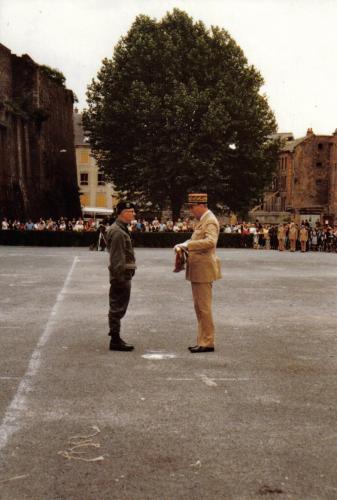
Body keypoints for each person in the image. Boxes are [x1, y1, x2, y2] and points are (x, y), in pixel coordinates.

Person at [174, 193, 222, 353]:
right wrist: (187, 244)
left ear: (202, 205)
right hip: (199, 269)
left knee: (204, 308)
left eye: (192, 207)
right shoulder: (204, 220)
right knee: (200, 307)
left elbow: (210, 242)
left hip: (204, 270)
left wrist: (188, 245)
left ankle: (207, 342)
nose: (191, 210)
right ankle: (203, 340)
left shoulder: (210, 221)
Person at [105, 201, 137, 351]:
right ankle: (115, 340)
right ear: (123, 213)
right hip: (121, 275)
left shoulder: (121, 229)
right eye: (131, 211)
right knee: (117, 307)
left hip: (123, 273)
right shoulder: (118, 231)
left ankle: (115, 338)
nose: (133, 213)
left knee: (118, 306)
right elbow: (117, 257)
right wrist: (119, 278)